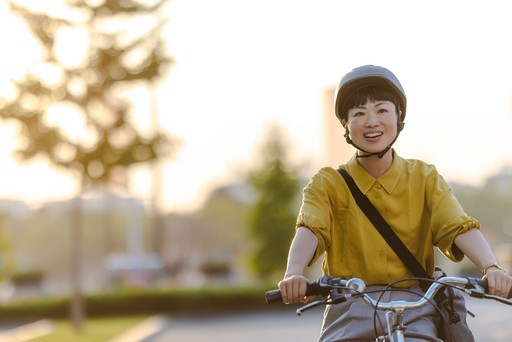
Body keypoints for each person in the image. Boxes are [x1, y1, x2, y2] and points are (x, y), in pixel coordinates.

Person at [277, 65, 512, 341]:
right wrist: (294, 273)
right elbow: (311, 229)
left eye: (382, 110)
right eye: (359, 114)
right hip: (348, 308)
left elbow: (457, 226)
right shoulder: (327, 183)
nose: (371, 121)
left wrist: (491, 267)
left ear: (398, 116)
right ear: (345, 124)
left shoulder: (424, 177)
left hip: (415, 307)